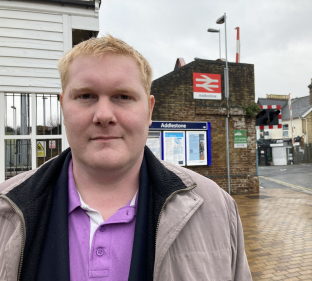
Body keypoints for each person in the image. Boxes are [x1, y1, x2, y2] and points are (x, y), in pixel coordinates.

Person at [0, 35, 252, 281]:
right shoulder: (6, 209)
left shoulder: (217, 207)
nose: (104, 115)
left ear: (149, 109)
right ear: (63, 106)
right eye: (86, 96)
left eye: (123, 97)